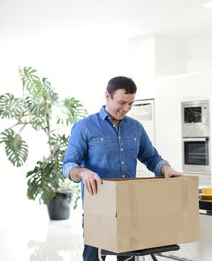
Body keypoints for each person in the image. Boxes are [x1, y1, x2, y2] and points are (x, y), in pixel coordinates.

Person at [62, 76, 181, 261]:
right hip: (98, 209)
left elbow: (151, 157)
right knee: (93, 258)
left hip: (129, 208)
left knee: (128, 258)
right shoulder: (84, 127)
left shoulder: (136, 128)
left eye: (130, 104)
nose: (126, 108)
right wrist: (83, 172)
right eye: (122, 102)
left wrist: (165, 168)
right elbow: (68, 165)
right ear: (107, 96)